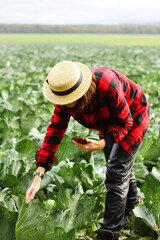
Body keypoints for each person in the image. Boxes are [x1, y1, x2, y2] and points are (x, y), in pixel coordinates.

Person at [25, 61, 150, 240]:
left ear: (82, 92)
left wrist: (102, 143)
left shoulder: (108, 85)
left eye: (69, 101)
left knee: (116, 169)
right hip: (107, 121)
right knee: (118, 164)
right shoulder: (63, 93)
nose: (65, 105)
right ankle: (132, 209)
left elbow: (124, 122)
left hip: (134, 115)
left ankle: (110, 232)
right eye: (62, 101)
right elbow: (54, 133)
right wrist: (38, 176)